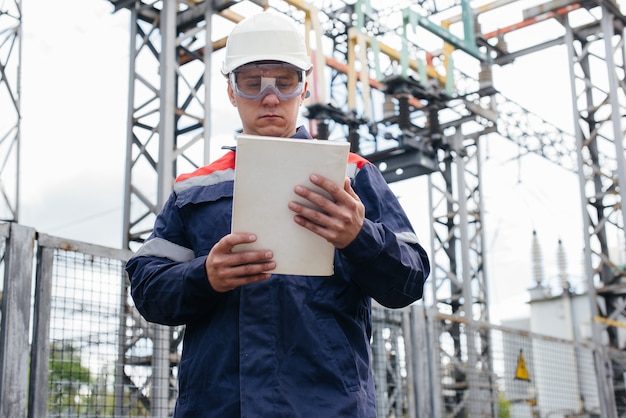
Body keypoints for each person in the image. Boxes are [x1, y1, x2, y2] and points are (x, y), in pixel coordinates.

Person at [125, 10, 430, 418]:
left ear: (303, 88)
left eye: (284, 83)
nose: (270, 97)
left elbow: (408, 282)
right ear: (231, 92)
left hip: (327, 408)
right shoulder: (192, 189)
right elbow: (148, 290)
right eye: (252, 84)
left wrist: (360, 237)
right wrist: (205, 276)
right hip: (220, 408)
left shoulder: (353, 175)